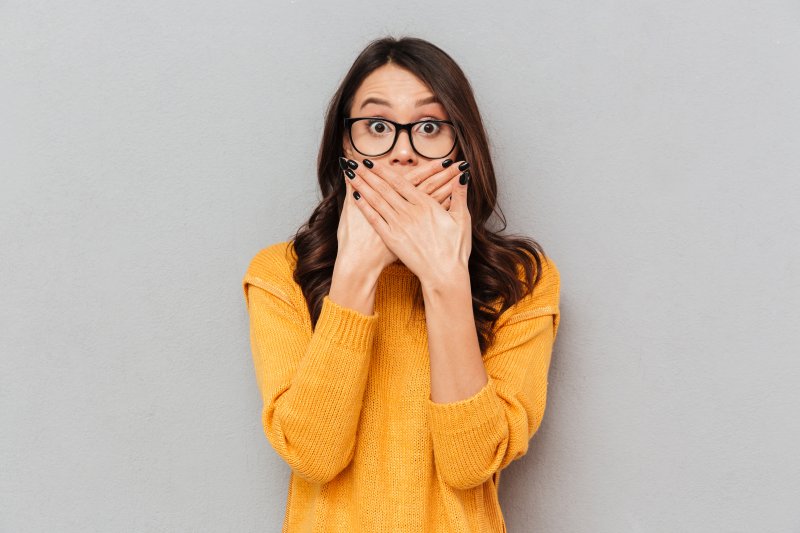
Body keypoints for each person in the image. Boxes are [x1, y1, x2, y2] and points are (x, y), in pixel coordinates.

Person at [242, 35, 561, 532]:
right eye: (377, 126)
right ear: (345, 147)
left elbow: (471, 464)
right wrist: (356, 272)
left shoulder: (521, 281)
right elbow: (312, 454)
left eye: (430, 127)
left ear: (463, 146)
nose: (403, 153)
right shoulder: (279, 274)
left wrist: (444, 281)